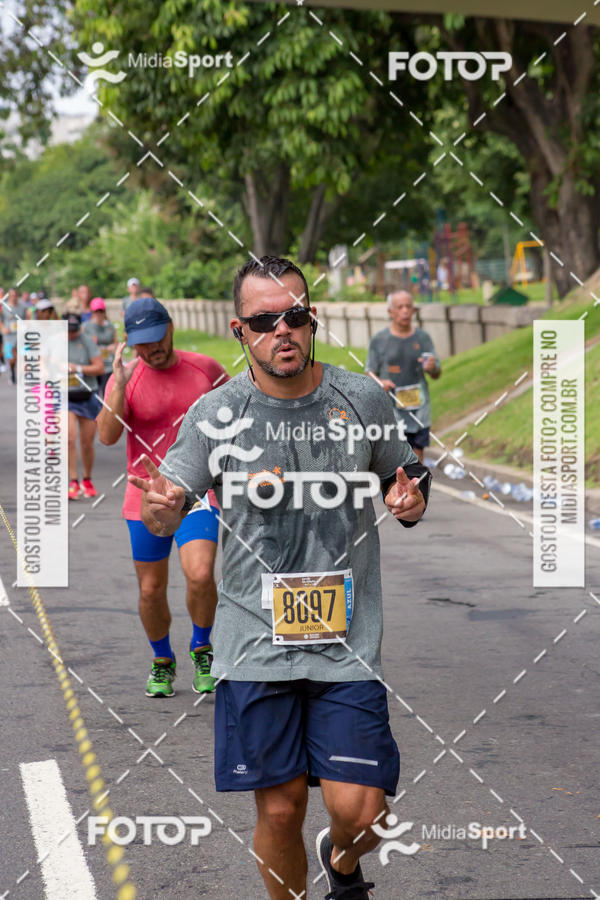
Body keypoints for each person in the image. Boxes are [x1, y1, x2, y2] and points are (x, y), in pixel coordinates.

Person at [130, 256, 430, 900]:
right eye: (265, 321)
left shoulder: (361, 398)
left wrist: (409, 502)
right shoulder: (216, 415)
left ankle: (342, 863)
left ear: (312, 318)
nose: (283, 330)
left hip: (345, 643)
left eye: (294, 315)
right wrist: (161, 512)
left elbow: (407, 476)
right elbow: (171, 501)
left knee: (364, 812)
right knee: (281, 808)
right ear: (241, 331)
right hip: (251, 642)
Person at [97, 297, 229, 698]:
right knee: (151, 589)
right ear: (130, 342)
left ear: (170, 328)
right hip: (146, 496)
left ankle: (202, 649)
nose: (151, 349)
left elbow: (241, 416)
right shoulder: (125, 378)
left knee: (201, 574)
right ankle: (162, 661)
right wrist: (119, 387)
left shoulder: (205, 369)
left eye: (156, 338)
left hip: (197, 493)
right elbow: (106, 435)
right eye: (141, 343)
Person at [366, 290, 441, 463]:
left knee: (416, 459)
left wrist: (433, 367)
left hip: (419, 410)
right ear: (390, 312)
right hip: (391, 412)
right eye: (400, 307)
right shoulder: (379, 340)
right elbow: (369, 372)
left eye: (409, 306)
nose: (405, 311)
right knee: (394, 461)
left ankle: (417, 489)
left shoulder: (423, 338)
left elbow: (436, 373)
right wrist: (380, 382)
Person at [64, 312, 104, 499]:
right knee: (69, 438)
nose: (70, 334)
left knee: (86, 443)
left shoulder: (87, 341)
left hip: (87, 396)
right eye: (68, 330)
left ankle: (87, 480)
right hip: (66, 398)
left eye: (74, 330)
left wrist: (77, 368)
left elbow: (100, 368)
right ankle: (73, 482)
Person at [83, 298, 117, 397]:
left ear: (104, 312)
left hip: (108, 365)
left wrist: (113, 347)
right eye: (96, 311)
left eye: (101, 311)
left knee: (107, 392)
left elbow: (117, 344)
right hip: (93, 364)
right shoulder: (86, 327)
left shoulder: (110, 326)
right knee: (95, 393)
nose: (98, 314)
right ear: (92, 312)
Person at [1, 287, 28, 384]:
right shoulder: (3, 307)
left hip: (21, 335)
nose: (13, 297)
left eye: (15, 295)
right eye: (12, 295)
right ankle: (12, 371)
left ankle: (21, 375)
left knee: (23, 356)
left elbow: (28, 318)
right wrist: (3, 327)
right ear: (9, 296)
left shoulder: (23, 306)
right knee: (11, 359)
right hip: (8, 336)